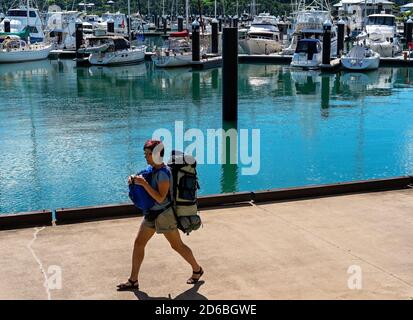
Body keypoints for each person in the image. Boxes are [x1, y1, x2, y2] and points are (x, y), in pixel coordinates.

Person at [117, 139, 203, 291]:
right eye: (145, 154)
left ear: (156, 154)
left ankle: (197, 269)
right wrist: (134, 179)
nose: (145, 157)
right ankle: (133, 280)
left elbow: (160, 197)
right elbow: (145, 178)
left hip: (164, 216)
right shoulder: (153, 169)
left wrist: (143, 184)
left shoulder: (163, 174)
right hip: (151, 214)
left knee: (177, 246)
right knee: (139, 244)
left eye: (148, 154)